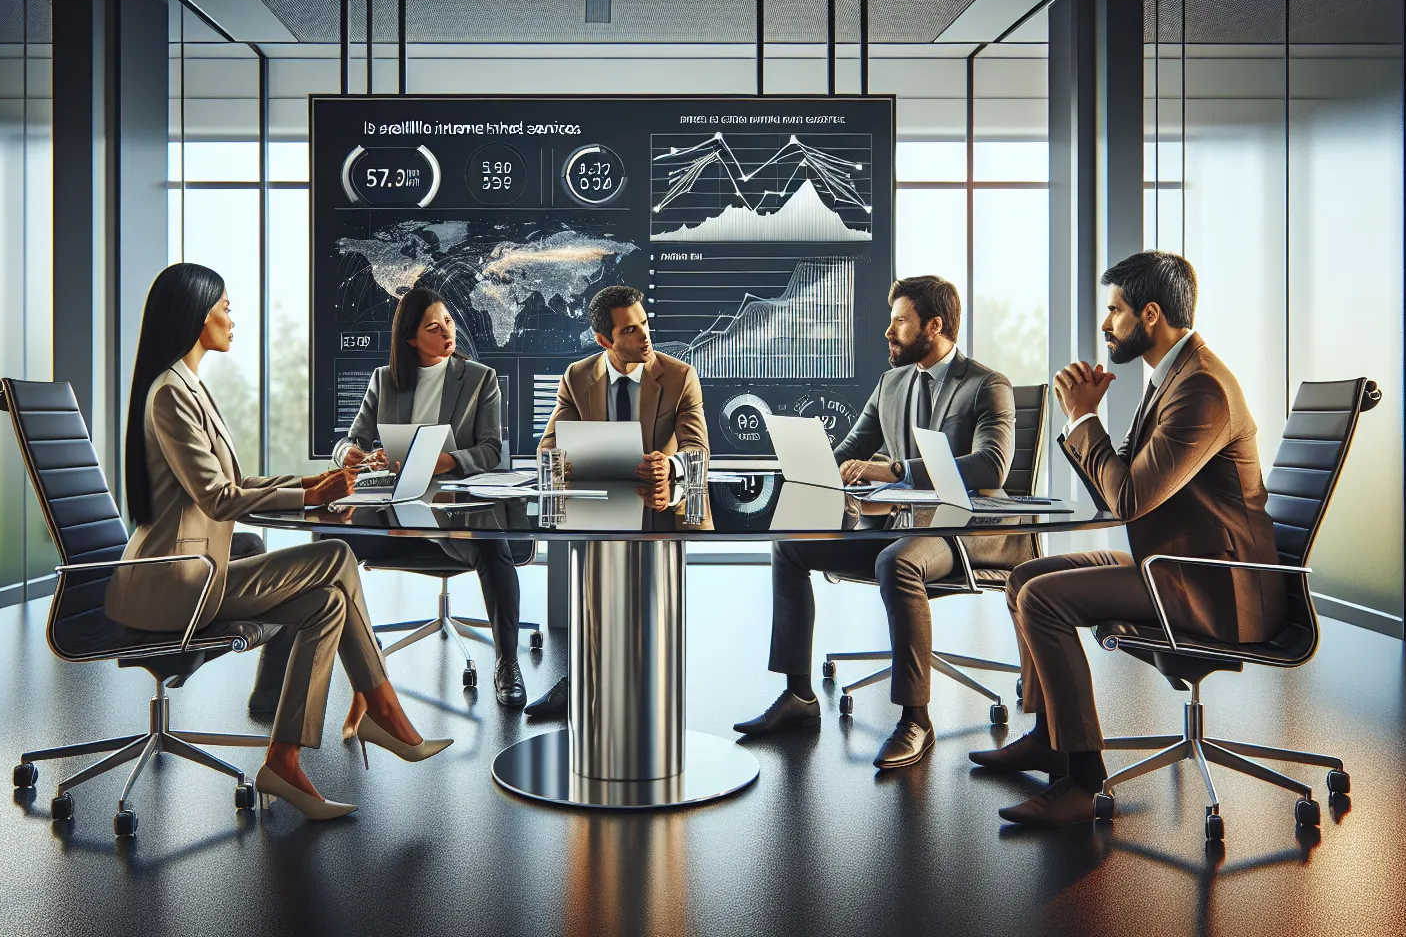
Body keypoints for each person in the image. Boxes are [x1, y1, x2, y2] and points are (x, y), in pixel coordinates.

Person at [108, 262, 450, 822]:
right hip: (173, 581)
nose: (230, 317)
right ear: (196, 316)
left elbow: (237, 484)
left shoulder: (187, 385)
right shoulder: (170, 393)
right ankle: (383, 708)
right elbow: (220, 498)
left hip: (198, 573)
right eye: (223, 307)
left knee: (327, 604)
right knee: (337, 554)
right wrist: (311, 500)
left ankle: (285, 758)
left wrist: (308, 483)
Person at [969, 250, 1282, 827]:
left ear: (1151, 314)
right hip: (1175, 564)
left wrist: (1084, 420)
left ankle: (1083, 780)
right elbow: (1123, 494)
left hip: (1215, 586)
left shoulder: (1202, 389)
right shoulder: (1172, 377)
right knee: (1026, 576)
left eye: (1114, 311)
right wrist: (1083, 421)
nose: (1106, 324)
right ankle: (1050, 736)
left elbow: (1130, 500)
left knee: (1043, 599)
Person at [732, 275, 1031, 770]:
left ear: (933, 326)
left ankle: (916, 719)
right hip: (904, 525)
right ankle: (798, 696)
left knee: (898, 562)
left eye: (899, 322)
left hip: (966, 530)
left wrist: (896, 470)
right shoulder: (892, 382)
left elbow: (992, 465)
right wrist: (805, 464)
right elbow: (851, 451)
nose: (888, 333)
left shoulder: (986, 384)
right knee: (790, 546)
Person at [328, 287, 531, 708]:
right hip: (392, 508)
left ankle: (507, 661)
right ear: (410, 338)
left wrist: (447, 462)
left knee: (492, 548)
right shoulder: (384, 380)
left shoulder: (479, 378)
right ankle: (356, 663)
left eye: (449, 324)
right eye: (433, 328)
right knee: (328, 541)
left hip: (452, 509)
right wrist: (351, 453)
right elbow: (352, 439)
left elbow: (492, 450)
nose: (446, 333)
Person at [525, 284, 709, 720]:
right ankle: (587, 681)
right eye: (630, 330)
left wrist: (673, 467)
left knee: (642, 576)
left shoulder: (679, 376)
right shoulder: (577, 377)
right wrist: (573, 461)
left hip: (660, 506)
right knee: (596, 559)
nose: (645, 335)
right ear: (604, 340)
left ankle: (633, 683)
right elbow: (547, 451)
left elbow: (698, 449)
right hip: (601, 506)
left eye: (644, 323)